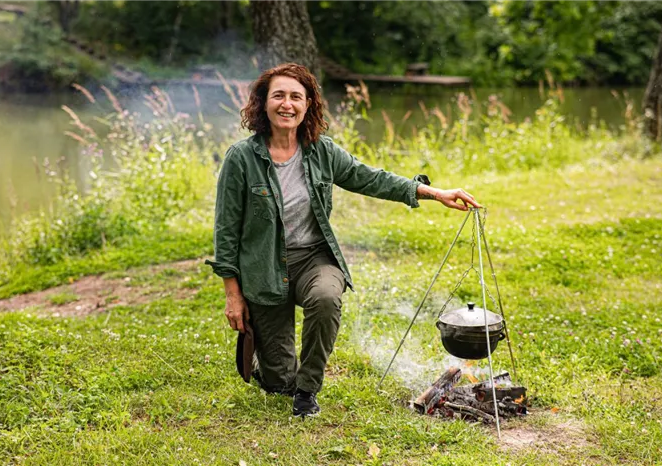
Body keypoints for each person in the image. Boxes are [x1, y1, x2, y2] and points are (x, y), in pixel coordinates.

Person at [206, 63, 481, 418]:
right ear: (262, 103)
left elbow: (371, 179)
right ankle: (274, 369)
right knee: (277, 381)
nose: (287, 104)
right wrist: (233, 295)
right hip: (264, 268)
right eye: (278, 95)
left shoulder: (322, 151)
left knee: (325, 298)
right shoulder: (241, 159)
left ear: (308, 105)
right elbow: (225, 231)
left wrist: (432, 192)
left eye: (296, 97)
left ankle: (307, 392)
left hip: (313, 259)